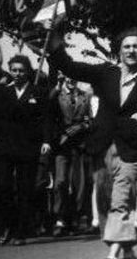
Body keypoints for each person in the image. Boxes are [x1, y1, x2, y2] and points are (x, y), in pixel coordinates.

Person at [46, 28, 137, 259]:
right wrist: (56, 37)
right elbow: (69, 66)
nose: (131, 50)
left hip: (131, 150)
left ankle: (112, 255)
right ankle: (126, 252)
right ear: (118, 50)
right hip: (102, 147)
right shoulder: (105, 72)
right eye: (126, 46)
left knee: (121, 201)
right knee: (105, 202)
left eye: (136, 46)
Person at [0, 53, 51, 245]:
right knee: (1, 186)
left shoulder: (38, 92)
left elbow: (47, 119)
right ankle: (6, 225)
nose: (17, 74)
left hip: (28, 146)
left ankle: (20, 232)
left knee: (25, 190)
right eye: (14, 70)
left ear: (28, 72)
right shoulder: (3, 92)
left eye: (21, 70)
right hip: (5, 146)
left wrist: (46, 141)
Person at [49, 74, 92, 237]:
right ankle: (59, 219)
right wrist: (57, 86)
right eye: (67, 77)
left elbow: (90, 120)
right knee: (60, 182)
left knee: (78, 185)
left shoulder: (84, 96)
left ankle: (75, 218)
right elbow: (49, 111)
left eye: (74, 77)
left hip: (79, 145)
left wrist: (81, 126)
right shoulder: (57, 94)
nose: (71, 80)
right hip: (61, 144)